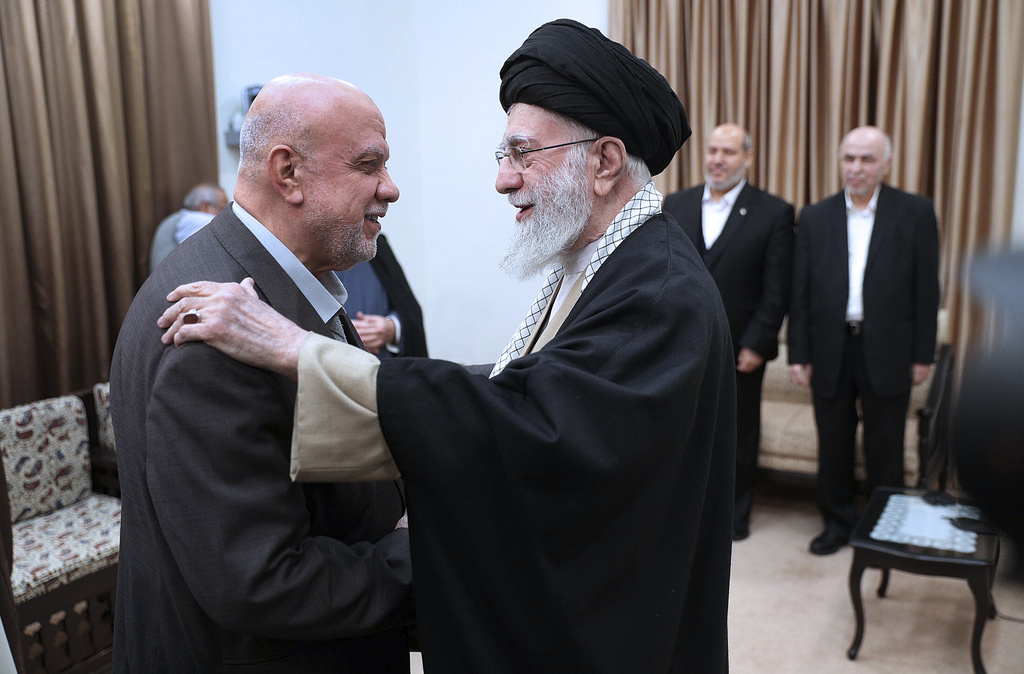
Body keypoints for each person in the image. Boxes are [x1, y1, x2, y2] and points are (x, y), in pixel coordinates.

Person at [158, 19, 735, 673]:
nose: (503, 180)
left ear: (602, 162)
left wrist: (297, 349)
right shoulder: (606, 260)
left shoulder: (658, 290)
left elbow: (547, 434)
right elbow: (531, 392)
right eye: (503, 157)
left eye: (522, 154)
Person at [111, 74, 414, 671]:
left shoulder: (281, 281)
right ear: (288, 173)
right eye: (369, 164)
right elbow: (260, 579)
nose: (392, 188)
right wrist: (421, 559)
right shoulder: (209, 334)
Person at [788, 125, 940, 555]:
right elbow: (799, 292)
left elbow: (927, 290)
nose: (856, 168)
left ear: (886, 164)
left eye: (867, 159)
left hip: (889, 348)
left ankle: (884, 528)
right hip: (829, 348)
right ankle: (837, 524)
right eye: (849, 158)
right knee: (833, 443)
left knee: (885, 445)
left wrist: (922, 354)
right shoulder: (816, 216)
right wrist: (798, 352)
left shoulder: (915, 212)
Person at [664, 123, 794, 541]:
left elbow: (777, 288)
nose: (718, 159)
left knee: (737, 437)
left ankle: (734, 516)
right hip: (680, 345)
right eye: (713, 150)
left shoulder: (773, 212)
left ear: (748, 159)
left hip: (741, 349)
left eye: (730, 152)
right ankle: (684, 510)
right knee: (681, 430)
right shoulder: (675, 204)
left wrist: (758, 342)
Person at [336, 233, 427, 358]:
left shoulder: (374, 244)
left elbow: (409, 311)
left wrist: (392, 328)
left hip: (382, 368)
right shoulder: (304, 247)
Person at [148, 182, 229, 273]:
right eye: (222, 209)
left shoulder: (180, 218)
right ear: (205, 207)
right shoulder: (195, 219)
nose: (225, 214)